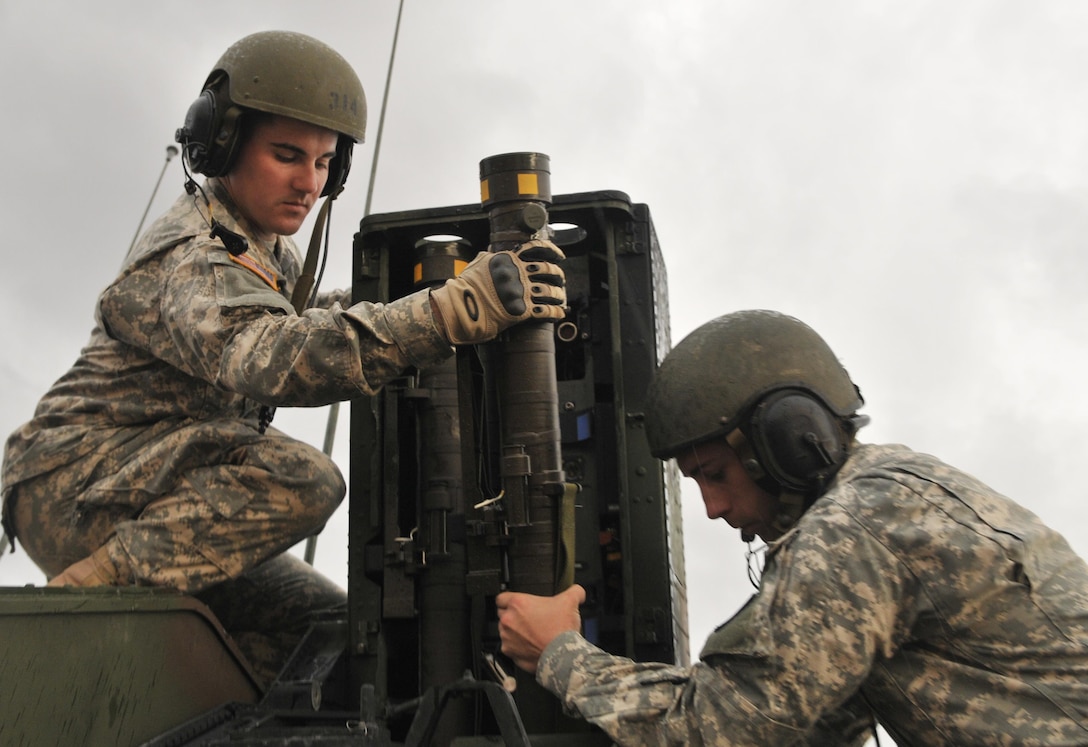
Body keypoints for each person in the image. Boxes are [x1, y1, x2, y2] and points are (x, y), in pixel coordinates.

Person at [0, 30, 566, 685]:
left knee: (328, 628)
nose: (309, 182)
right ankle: (88, 589)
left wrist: (427, 290)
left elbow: (307, 318)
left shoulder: (261, 250)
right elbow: (277, 355)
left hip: (151, 494)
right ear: (222, 145)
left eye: (326, 163)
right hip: (73, 488)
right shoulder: (192, 256)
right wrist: (450, 311)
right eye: (288, 155)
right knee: (305, 478)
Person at [496, 309, 1088, 745]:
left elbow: (724, 729)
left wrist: (559, 653)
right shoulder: (893, 492)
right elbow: (813, 725)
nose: (712, 508)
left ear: (784, 442)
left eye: (715, 474)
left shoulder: (851, 531)